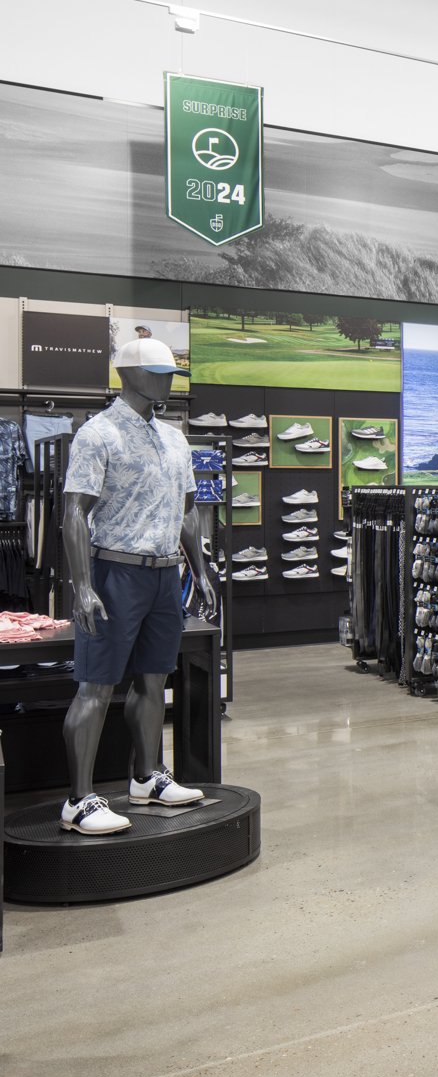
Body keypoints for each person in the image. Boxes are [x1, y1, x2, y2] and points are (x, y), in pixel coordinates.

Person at [60, 338, 217, 835]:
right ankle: (79, 800)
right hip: (114, 573)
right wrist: (83, 584)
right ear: (128, 374)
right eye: (157, 372)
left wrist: (202, 569)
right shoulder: (97, 434)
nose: (166, 381)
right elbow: (74, 511)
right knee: (96, 685)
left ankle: (146, 777)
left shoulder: (175, 439)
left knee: (154, 679)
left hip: (165, 573)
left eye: (171, 373)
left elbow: (187, 511)